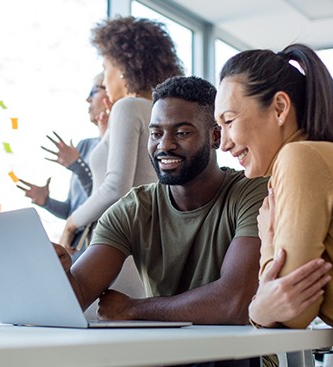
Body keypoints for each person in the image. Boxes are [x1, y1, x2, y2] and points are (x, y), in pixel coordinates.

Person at [214, 43, 333, 367]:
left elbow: (292, 312)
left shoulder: (299, 158)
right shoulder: (324, 157)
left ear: (279, 108)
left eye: (230, 120)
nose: (223, 143)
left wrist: (268, 239)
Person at [55, 76, 269, 367]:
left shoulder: (252, 192)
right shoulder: (133, 209)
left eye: (181, 133)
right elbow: (77, 294)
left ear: (215, 136)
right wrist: (57, 274)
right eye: (156, 134)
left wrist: (133, 309)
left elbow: (234, 302)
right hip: (169, 356)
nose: (164, 145)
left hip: (238, 356)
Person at [59, 16, 184, 251]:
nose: (105, 79)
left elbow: (116, 186)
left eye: (106, 68)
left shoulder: (128, 107)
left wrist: (70, 223)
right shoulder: (160, 112)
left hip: (116, 240)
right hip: (146, 239)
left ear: (123, 67)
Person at [17, 73, 110, 260]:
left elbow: (105, 198)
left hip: (96, 245)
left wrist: (78, 166)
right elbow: (72, 210)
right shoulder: (84, 146)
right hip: (73, 245)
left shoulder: (115, 148)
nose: (88, 98)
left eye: (93, 91)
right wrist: (47, 202)